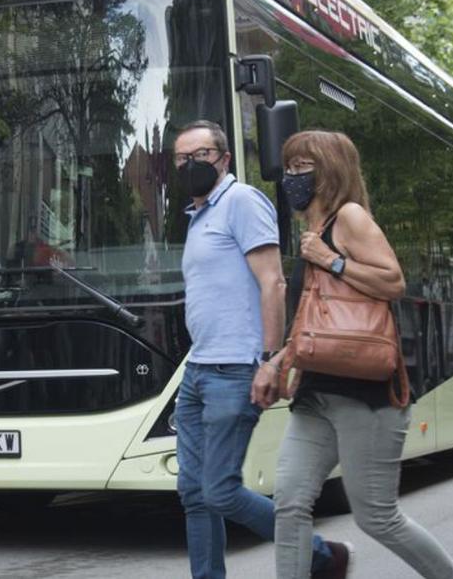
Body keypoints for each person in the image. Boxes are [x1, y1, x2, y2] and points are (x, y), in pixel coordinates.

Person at [270, 130, 453, 579]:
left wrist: (332, 260)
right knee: (290, 502)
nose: (292, 177)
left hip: (366, 395)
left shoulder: (349, 218)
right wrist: (277, 360)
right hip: (316, 393)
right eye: (290, 168)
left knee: (376, 515)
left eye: (303, 168)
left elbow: (393, 282)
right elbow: (310, 317)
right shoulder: (311, 232)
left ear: (330, 171)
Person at [172, 121, 344, 579]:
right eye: (182, 159)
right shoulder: (199, 213)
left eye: (201, 155)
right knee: (192, 491)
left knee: (220, 491)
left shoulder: (242, 202)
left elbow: (273, 283)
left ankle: (321, 554)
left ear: (224, 159)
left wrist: (271, 359)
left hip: (235, 368)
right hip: (198, 369)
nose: (191, 165)